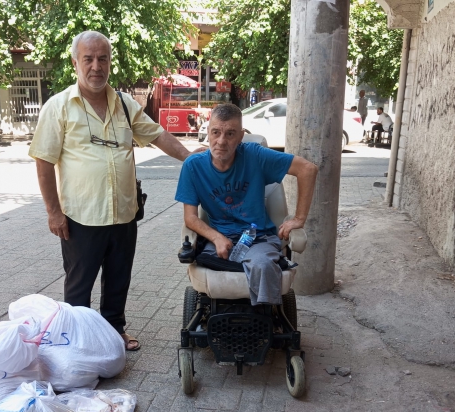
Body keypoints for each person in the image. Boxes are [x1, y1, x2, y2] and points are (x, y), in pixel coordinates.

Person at [28, 30, 203, 351]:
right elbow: (43, 161)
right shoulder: (59, 107)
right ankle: (77, 341)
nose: (96, 66)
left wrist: (192, 160)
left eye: (103, 58)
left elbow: (158, 136)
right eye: (89, 59)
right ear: (75, 62)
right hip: (80, 216)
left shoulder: (124, 104)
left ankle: (114, 330)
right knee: (79, 285)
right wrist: (53, 212)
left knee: (119, 278)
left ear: (110, 62)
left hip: (124, 212)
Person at [175, 103, 318, 305]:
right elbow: (190, 218)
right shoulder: (193, 166)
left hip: (257, 237)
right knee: (203, 261)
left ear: (241, 136)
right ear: (208, 132)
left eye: (230, 134)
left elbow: (308, 169)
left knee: (262, 265)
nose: (221, 141)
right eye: (215, 132)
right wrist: (216, 238)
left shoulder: (255, 155)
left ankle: (262, 319)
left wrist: (299, 219)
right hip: (219, 239)